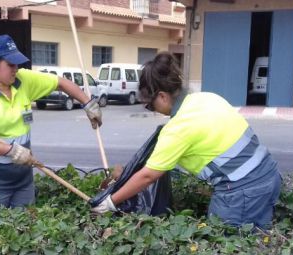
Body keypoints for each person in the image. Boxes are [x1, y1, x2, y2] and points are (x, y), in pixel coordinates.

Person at [91, 52, 281, 229]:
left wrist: (111, 202)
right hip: (270, 175)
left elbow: (149, 176)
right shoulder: (206, 98)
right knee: (256, 242)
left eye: (150, 105)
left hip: (242, 193)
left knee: (228, 249)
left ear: (163, 96)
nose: (153, 110)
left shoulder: (177, 128)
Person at [0, 34, 102, 208]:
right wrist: (11, 151)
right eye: (10, 64)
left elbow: (61, 83)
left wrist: (88, 104)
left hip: (23, 177)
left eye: (17, 63)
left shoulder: (22, 80)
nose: (16, 68)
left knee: (25, 226)